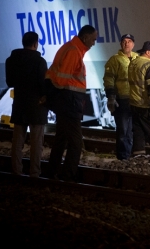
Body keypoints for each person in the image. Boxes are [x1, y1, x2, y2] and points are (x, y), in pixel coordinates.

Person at [46, 25, 98, 182]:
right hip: (69, 101)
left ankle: (52, 171)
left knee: (61, 138)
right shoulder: (74, 51)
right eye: (93, 39)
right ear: (85, 37)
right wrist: (65, 97)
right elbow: (61, 79)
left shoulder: (71, 48)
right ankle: (68, 175)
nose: (94, 43)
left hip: (66, 101)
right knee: (76, 141)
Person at [5, 31, 48, 178]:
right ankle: (34, 172)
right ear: (36, 44)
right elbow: (43, 85)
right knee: (36, 143)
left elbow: (10, 82)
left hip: (19, 104)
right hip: (37, 106)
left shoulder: (11, 60)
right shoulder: (40, 62)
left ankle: (16, 170)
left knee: (17, 141)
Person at [128, 41, 150, 157]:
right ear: (148, 52)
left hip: (134, 104)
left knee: (138, 133)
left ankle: (138, 157)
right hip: (145, 105)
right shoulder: (149, 66)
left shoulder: (133, 63)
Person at [103, 33, 137, 160]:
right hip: (122, 99)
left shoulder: (137, 58)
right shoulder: (115, 60)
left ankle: (132, 153)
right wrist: (111, 96)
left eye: (129, 41)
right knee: (123, 129)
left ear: (133, 44)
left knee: (133, 129)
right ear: (121, 44)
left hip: (136, 100)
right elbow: (108, 79)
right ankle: (123, 156)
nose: (126, 43)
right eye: (124, 41)